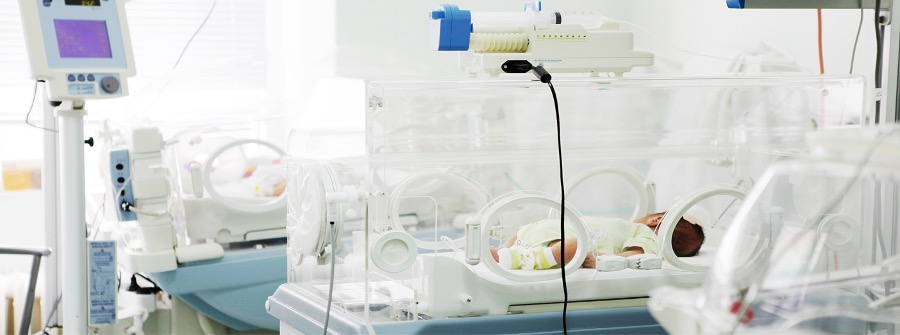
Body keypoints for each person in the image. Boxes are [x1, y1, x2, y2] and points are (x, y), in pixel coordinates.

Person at [489, 212, 704, 270]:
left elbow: (638, 253)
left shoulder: (646, 233)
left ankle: (524, 257)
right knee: (570, 243)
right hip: (558, 231)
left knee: (574, 246)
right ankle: (507, 254)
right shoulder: (629, 227)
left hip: (556, 234)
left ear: (656, 220)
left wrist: (604, 258)